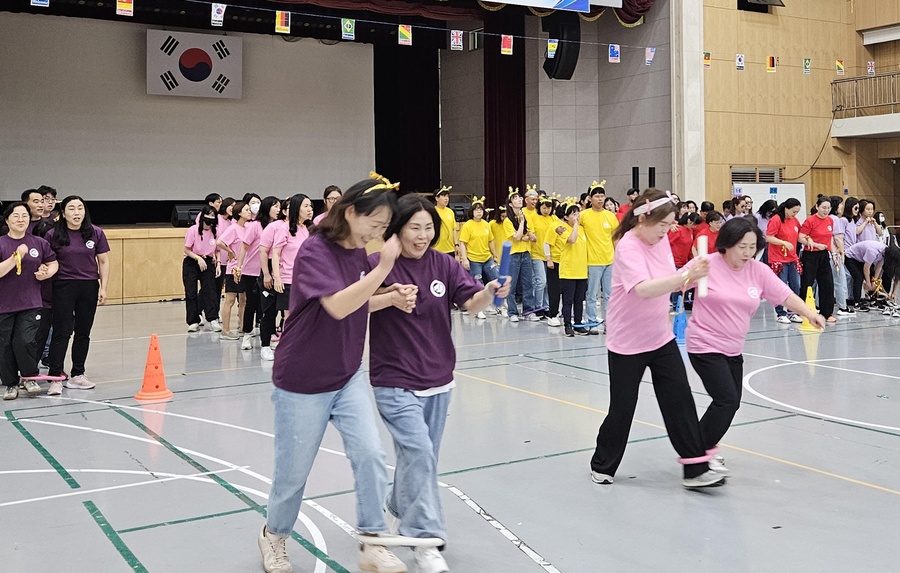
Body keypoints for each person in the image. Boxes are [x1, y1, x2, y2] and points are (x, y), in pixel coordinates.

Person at [258, 175, 407, 573]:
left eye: (382, 230)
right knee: (293, 474)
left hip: (346, 374)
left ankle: (373, 540)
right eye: (374, 226)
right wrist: (385, 271)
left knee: (371, 455)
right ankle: (274, 535)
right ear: (352, 213)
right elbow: (339, 306)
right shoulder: (315, 250)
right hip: (302, 381)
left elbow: (357, 302)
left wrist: (389, 298)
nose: (377, 235)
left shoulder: (357, 251)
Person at [367, 194, 509, 573]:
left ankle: (398, 504)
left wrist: (489, 292)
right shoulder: (379, 263)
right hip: (393, 377)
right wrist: (389, 296)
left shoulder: (444, 264)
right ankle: (424, 538)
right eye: (414, 227)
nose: (422, 235)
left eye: (429, 227)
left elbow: (470, 303)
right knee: (419, 453)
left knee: (421, 457)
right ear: (397, 229)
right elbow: (354, 304)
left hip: (438, 378)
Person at [589, 189, 725, 489]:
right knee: (623, 408)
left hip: (660, 337)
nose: (667, 230)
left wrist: (694, 270)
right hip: (627, 342)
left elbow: (671, 279)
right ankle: (602, 463)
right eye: (663, 225)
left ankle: (695, 469)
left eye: (670, 225)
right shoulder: (627, 247)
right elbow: (644, 288)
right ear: (644, 218)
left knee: (680, 401)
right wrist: (685, 278)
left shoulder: (660, 239)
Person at [684, 217, 825, 475]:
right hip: (704, 344)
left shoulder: (757, 271)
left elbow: (784, 294)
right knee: (726, 400)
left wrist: (809, 313)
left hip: (733, 348)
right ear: (727, 244)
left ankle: (702, 447)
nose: (748, 252)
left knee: (731, 402)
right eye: (742, 246)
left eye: (752, 246)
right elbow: (674, 284)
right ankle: (697, 454)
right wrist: (689, 277)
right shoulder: (706, 264)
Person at [45, 196, 110, 394]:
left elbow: (104, 261)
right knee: (62, 331)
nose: (76, 212)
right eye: (71, 209)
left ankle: (78, 374)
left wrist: (103, 287)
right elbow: (47, 262)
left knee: (83, 331)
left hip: (88, 285)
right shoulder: (52, 234)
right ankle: (55, 376)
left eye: (80, 208)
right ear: (63, 213)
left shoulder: (96, 233)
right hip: (63, 286)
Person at [0, 203, 58, 400]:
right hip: (4, 304)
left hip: (31, 302)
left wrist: (46, 272)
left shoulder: (39, 243)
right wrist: (16, 257)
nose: (20, 219)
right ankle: (10, 384)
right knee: (5, 344)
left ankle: (29, 377)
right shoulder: (1, 243)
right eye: (16, 216)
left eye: (24, 215)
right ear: (7, 220)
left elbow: (52, 262)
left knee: (25, 340)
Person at [236, 196, 280, 350]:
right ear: (267, 208)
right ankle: (247, 334)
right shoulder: (255, 226)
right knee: (252, 304)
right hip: (252, 272)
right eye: (275, 206)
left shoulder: (278, 226)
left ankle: (270, 334)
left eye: (279, 206)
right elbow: (244, 247)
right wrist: (239, 267)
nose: (278, 209)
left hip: (269, 270)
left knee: (269, 306)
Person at [271, 194, 314, 325]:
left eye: (310, 206)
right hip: (288, 278)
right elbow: (275, 254)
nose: (310, 209)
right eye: (306, 206)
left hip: (306, 278)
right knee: (290, 316)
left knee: (306, 316)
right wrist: (277, 277)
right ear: (296, 208)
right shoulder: (284, 228)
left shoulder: (308, 229)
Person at [580, 183, 618, 333]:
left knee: (608, 295)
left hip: (610, 260)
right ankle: (591, 321)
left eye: (602, 196)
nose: (600, 199)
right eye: (597, 196)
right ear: (590, 198)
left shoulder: (610, 216)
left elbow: (615, 237)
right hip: (593, 261)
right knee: (592, 294)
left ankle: (609, 323)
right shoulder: (584, 215)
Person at [553, 201, 590, 337]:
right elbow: (572, 240)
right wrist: (574, 225)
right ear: (567, 217)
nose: (577, 216)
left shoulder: (583, 229)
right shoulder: (562, 229)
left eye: (578, 213)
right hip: (568, 270)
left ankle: (578, 324)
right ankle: (567, 325)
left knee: (579, 299)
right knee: (568, 299)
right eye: (573, 214)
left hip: (581, 269)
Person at [182, 205, 221, 333]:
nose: (209, 223)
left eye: (212, 219)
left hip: (208, 260)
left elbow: (217, 249)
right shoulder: (193, 230)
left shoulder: (215, 232)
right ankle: (193, 321)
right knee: (191, 291)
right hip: (192, 260)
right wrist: (198, 258)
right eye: (207, 219)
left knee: (210, 290)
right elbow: (187, 249)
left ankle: (213, 318)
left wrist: (218, 262)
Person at [258, 199, 289, 360]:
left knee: (287, 311)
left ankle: (285, 341)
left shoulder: (298, 228)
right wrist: (267, 274)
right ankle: (265, 345)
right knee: (269, 311)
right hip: (271, 268)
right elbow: (263, 252)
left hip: (287, 273)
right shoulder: (274, 227)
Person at [458, 197, 498, 319]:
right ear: (472, 212)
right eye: (476, 210)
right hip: (474, 259)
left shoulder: (486, 225)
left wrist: (495, 255)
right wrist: (464, 259)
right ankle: (478, 308)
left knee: (495, 280)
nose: (479, 212)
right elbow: (462, 243)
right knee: (478, 284)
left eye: (481, 210)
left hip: (487, 258)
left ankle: (495, 305)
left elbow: (491, 241)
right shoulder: (468, 225)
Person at [216, 201, 251, 340]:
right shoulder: (233, 228)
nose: (249, 212)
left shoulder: (248, 227)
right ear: (239, 213)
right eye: (246, 210)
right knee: (230, 299)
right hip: (233, 269)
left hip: (244, 268)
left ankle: (243, 327)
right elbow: (220, 242)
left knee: (244, 299)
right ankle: (225, 330)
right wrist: (230, 251)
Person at [502, 189, 537, 322]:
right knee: (512, 284)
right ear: (510, 204)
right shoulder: (508, 221)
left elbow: (530, 235)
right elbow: (516, 237)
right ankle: (512, 312)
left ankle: (528, 310)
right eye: (516, 198)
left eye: (520, 198)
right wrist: (522, 223)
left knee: (528, 283)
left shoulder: (526, 216)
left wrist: (529, 235)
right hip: (513, 255)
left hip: (526, 253)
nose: (520, 200)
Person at [799, 196, 836, 322]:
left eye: (828, 208)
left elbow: (830, 238)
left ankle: (827, 313)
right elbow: (801, 237)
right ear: (817, 207)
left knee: (827, 284)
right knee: (807, 283)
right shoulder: (810, 221)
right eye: (823, 207)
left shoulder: (830, 221)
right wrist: (815, 244)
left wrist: (834, 254)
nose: (826, 210)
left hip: (824, 255)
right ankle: (802, 310)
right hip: (810, 255)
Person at [766, 198, 803, 324]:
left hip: (792, 258)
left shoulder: (794, 221)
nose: (795, 214)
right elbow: (769, 237)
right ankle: (780, 312)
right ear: (786, 208)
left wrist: (809, 240)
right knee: (781, 286)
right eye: (793, 211)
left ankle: (792, 311)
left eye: (797, 212)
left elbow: (798, 235)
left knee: (795, 285)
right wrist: (783, 242)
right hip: (778, 259)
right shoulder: (776, 219)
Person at [522, 186, 548, 317]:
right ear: (526, 200)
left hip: (545, 253)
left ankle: (544, 305)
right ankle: (536, 306)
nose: (534, 202)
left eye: (536, 199)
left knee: (543, 282)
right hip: (530, 252)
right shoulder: (522, 212)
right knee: (536, 281)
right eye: (532, 199)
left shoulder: (539, 214)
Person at [845, 240, 891, 311]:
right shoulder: (872, 251)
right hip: (851, 257)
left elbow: (879, 266)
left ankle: (873, 300)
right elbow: (866, 268)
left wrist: (874, 281)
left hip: (861, 259)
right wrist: (868, 283)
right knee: (858, 278)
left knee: (873, 278)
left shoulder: (886, 252)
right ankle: (857, 303)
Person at [829, 196, 854, 316]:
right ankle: (842, 306)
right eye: (840, 204)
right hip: (834, 254)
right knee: (840, 280)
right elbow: (838, 238)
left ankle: (818, 304)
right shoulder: (835, 220)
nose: (842, 207)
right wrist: (842, 252)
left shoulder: (826, 218)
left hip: (826, 253)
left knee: (824, 281)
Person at [432, 186, 457, 257]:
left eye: (447, 196)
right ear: (437, 198)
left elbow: (454, 229)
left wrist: (456, 244)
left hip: (450, 249)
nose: (446, 199)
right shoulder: (432, 211)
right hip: (436, 248)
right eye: (443, 196)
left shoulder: (450, 212)